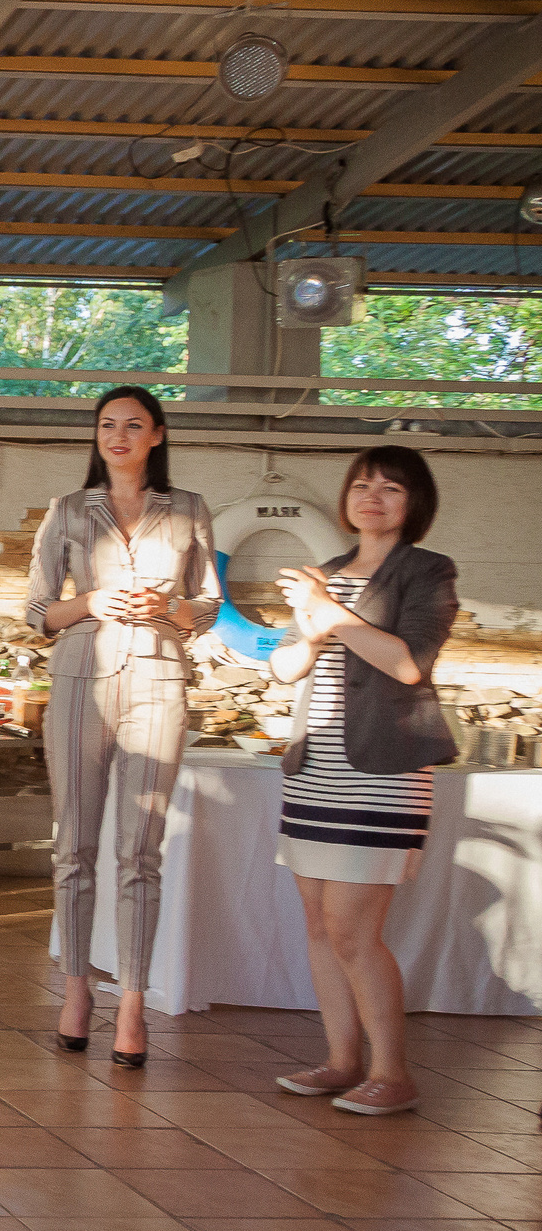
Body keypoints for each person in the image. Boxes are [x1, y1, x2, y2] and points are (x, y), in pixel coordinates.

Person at [23, 386, 219, 1067]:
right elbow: (38, 612)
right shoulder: (68, 510)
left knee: (141, 852)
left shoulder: (188, 509)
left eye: (134, 425)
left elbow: (210, 606)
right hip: (80, 680)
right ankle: (77, 991)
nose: (119, 434)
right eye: (108, 424)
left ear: (157, 435)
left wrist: (172, 605)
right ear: (96, 435)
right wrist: (91, 601)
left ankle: (132, 1005)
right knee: (74, 846)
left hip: (160, 683)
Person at [269, 447, 458, 1117]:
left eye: (390, 487)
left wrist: (332, 614)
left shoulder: (427, 570)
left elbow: (408, 664)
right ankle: (341, 1060)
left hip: (384, 771)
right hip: (315, 770)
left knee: (352, 928)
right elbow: (288, 667)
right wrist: (313, 628)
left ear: (415, 502)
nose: (371, 496)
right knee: (319, 925)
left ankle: (392, 1071)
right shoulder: (324, 574)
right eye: (362, 484)